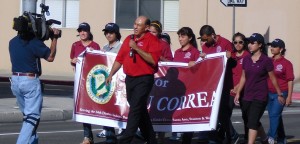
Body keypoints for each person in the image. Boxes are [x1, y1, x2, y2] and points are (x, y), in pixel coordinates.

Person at [106, 16, 162, 144]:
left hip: (144, 79)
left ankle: (125, 139)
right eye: (135, 23)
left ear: (146, 27)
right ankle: (151, 139)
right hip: (130, 79)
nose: (135, 27)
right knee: (140, 109)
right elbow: (120, 59)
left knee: (135, 109)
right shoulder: (129, 39)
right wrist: (111, 74)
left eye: (139, 24)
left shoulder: (152, 40)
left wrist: (136, 48)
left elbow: (153, 60)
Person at [9, 26, 60, 143]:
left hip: (15, 81)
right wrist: (54, 38)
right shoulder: (34, 43)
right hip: (29, 82)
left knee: (27, 118)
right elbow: (50, 57)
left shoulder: (12, 42)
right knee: (32, 117)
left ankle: (33, 141)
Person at [234, 33, 283, 144]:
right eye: (249, 42)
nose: (250, 45)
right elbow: (243, 77)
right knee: (250, 120)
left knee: (252, 122)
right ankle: (265, 139)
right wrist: (238, 92)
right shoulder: (246, 59)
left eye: (253, 43)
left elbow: (273, 78)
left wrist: (279, 94)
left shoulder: (266, 60)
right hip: (247, 95)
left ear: (260, 45)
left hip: (260, 96)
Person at [198, 25, 234, 143]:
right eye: (202, 40)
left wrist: (230, 56)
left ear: (213, 35)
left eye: (205, 39)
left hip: (225, 84)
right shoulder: (205, 47)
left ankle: (230, 135)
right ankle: (216, 136)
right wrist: (202, 57)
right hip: (212, 84)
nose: (204, 42)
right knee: (214, 111)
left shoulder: (225, 43)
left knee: (223, 112)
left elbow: (234, 61)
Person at [70, 22, 101, 144]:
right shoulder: (75, 45)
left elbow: (100, 62)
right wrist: (73, 61)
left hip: (93, 81)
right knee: (84, 109)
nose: (82, 33)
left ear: (89, 32)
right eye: (80, 31)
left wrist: (94, 54)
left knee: (99, 107)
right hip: (80, 81)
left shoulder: (95, 45)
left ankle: (110, 134)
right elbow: (72, 61)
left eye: (84, 31)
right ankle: (87, 136)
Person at [172, 27, 200, 144]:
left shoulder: (195, 52)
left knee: (189, 114)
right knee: (176, 112)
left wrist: (195, 64)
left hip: (190, 89)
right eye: (179, 36)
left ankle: (187, 139)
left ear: (190, 38)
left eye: (183, 36)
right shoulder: (177, 52)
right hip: (177, 88)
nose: (180, 39)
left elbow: (200, 71)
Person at [96, 22, 122, 144]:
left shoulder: (121, 47)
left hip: (119, 84)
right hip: (107, 84)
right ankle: (110, 137)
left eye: (111, 32)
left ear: (116, 34)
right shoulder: (104, 47)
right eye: (106, 32)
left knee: (118, 110)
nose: (108, 35)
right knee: (106, 109)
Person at [266, 39, 294, 144]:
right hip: (268, 93)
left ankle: (271, 137)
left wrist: (289, 97)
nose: (271, 48)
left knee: (274, 115)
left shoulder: (287, 63)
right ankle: (282, 139)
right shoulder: (268, 60)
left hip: (281, 93)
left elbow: (290, 80)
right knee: (275, 116)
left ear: (281, 49)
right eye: (271, 46)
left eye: (274, 46)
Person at [229, 32, 250, 143]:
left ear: (244, 43)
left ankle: (248, 138)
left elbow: (247, 75)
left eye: (240, 42)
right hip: (231, 91)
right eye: (235, 42)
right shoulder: (230, 55)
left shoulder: (248, 56)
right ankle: (231, 136)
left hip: (244, 90)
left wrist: (238, 87)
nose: (238, 44)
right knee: (225, 115)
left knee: (246, 116)